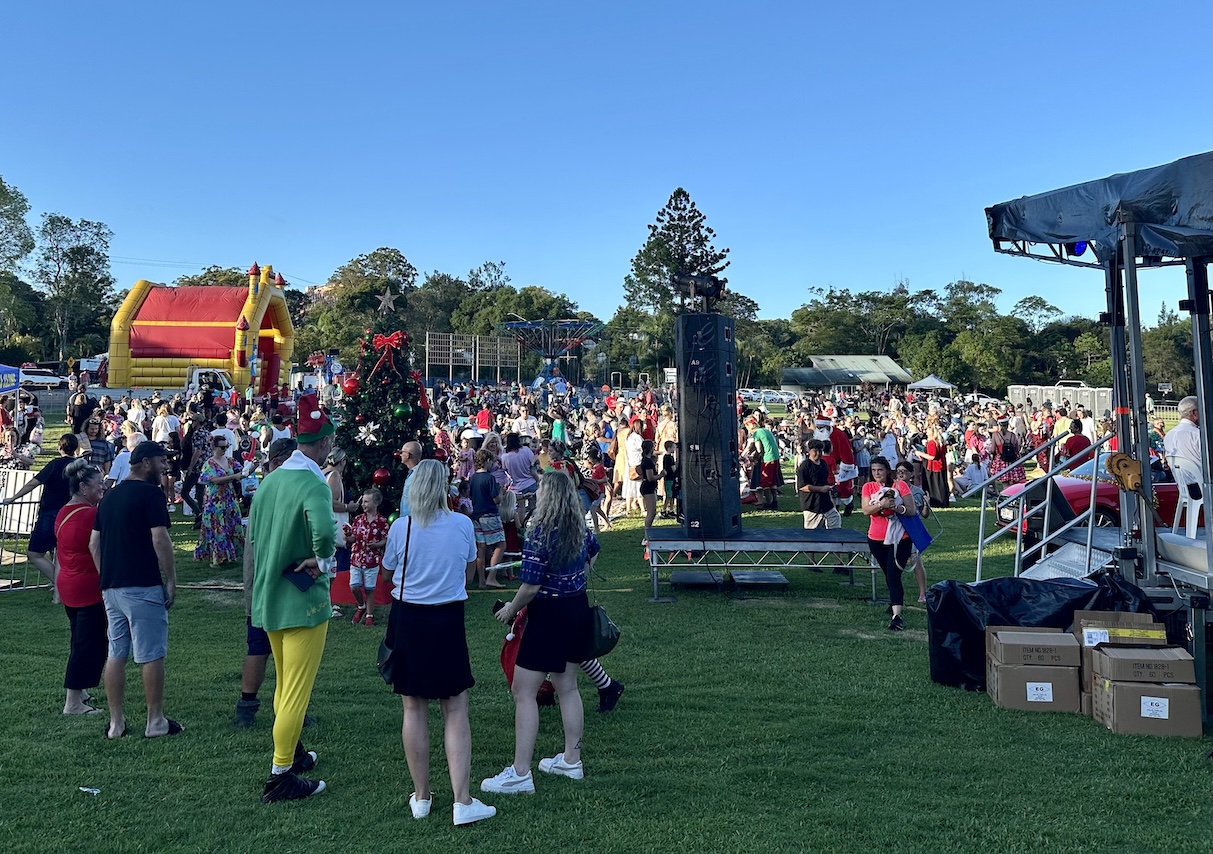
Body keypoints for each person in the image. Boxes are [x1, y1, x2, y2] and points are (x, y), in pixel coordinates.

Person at [380, 459, 496, 826]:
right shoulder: (461, 524)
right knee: (455, 706)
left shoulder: (403, 527)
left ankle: (422, 796)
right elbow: (466, 567)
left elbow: (386, 571)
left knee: (413, 707)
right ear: (444, 486)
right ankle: (461, 800)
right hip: (446, 617)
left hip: (409, 617)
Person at [483, 471, 597, 796]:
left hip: (549, 616)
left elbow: (531, 585)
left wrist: (510, 609)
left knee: (523, 691)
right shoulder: (579, 527)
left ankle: (520, 773)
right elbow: (594, 553)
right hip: (577, 608)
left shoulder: (539, 532)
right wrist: (576, 578)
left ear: (545, 496)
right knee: (568, 687)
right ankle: (571, 760)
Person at [249, 392, 336, 803]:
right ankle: (280, 773)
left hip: (269, 596)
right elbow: (324, 530)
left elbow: (254, 535)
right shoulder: (313, 481)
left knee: (285, 684)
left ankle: (293, 753)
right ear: (322, 444)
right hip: (302, 602)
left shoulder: (271, 480)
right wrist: (323, 561)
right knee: (295, 690)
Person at [90, 442, 181, 739]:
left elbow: (94, 543)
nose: (164, 467)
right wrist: (170, 579)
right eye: (159, 461)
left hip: (112, 587)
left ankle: (116, 723)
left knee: (116, 652)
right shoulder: (151, 494)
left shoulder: (109, 496)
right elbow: (160, 539)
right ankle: (155, 721)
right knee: (151, 653)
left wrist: (106, 574)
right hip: (142, 585)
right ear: (144, 463)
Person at [234, 437, 297, 728]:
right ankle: (251, 706)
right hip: (272, 579)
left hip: (262, 580)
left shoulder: (265, 488)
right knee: (264, 647)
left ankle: (274, 706)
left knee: (268, 647)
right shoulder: (277, 488)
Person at [1, 433, 81, 599]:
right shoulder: (80, 466)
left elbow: (33, 483)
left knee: (35, 552)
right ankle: (60, 589)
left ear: (60, 447)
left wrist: (13, 497)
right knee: (61, 553)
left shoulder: (54, 465)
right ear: (75, 448)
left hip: (51, 513)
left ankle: (60, 584)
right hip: (73, 513)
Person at [56, 459, 107, 715]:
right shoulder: (90, 514)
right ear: (84, 487)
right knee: (88, 644)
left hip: (69, 585)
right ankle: (73, 702)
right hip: (87, 588)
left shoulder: (65, 510)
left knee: (79, 639)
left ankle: (80, 691)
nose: (103, 488)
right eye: (99, 484)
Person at [861, 456, 913, 631]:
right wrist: (881, 505)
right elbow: (866, 510)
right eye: (874, 470)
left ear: (887, 471)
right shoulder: (868, 487)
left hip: (900, 538)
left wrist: (895, 508)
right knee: (889, 573)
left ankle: (896, 616)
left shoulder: (900, 486)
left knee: (893, 575)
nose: (877, 473)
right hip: (876, 538)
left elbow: (911, 510)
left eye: (880, 470)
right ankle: (894, 603)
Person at [194, 434, 244, 567]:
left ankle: (230, 555)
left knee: (231, 526)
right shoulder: (209, 463)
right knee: (218, 528)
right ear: (214, 447)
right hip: (215, 501)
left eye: (227, 446)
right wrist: (233, 476)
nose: (225, 449)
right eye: (222, 447)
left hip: (229, 499)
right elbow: (214, 480)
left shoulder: (230, 460)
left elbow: (241, 474)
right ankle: (216, 558)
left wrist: (254, 466)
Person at [346, 487, 389, 627]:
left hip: (372, 560)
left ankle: (369, 615)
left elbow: (385, 539)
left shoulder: (382, 521)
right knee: (354, 586)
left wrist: (377, 545)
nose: (363, 504)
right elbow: (353, 538)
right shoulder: (358, 520)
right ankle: (361, 606)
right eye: (363, 501)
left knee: (370, 588)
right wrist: (347, 536)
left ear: (375, 503)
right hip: (357, 558)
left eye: (366, 501)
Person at [468, 448, 506, 589]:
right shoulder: (489, 478)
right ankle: (492, 576)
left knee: (481, 548)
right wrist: (501, 492)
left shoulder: (472, 478)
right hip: (490, 515)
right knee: (501, 544)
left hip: (476, 516)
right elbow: (496, 500)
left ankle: (481, 581)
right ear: (487, 461)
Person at [894, 461, 930, 603]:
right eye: (898, 471)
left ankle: (922, 593)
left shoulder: (917, 492)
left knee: (915, 561)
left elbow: (925, 514)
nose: (901, 473)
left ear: (911, 474)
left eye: (904, 471)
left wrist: (927, 503)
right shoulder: (891, 487)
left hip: (911, 529)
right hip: (894, 528)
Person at [797, 439, 840, 530]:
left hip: (826, 503)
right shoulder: (804, 466)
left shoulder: (823, 464)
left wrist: (829, 494)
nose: (818, 453)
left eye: (820, 451)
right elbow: (803, 487)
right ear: (809, 451)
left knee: (835, 520)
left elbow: (825, 481)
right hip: (811, 505)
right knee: (812, 532)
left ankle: (834, 541)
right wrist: (821, 489)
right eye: (815, 451)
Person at [1165, 396, 1203, 498]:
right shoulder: (1198, 435)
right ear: (1194, 413)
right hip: (1202, 489)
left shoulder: (1168, 435)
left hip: (1183, 487)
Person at [500, 432, 538, 528]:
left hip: (516, 486)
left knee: (520, 509)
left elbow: (505, 470)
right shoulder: (526, 450)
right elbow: (533, 463)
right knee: (534, 508)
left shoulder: (505, 457)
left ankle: (521, 528)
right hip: (530, 482)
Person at [638, 439, 659, 541]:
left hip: (648, 486)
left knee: (653, 512)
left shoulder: (645, 460)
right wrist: (660, 475)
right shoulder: (648, 462)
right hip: (648, 487)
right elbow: (651, 477)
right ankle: (646, 535)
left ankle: (648, 533)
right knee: (651, 512)